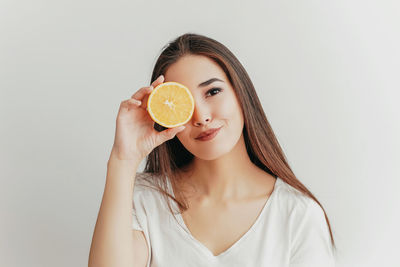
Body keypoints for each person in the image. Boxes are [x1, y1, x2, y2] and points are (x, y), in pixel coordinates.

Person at [89, 33, 336, 267]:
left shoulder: (297, 215)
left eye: (213, 92)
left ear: (241, 93)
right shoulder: (145, 199)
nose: (201, 117)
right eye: (183, 104)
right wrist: (123, 160)